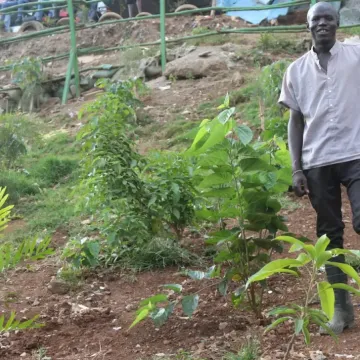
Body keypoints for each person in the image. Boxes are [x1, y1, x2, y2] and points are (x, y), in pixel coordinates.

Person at [279, 1, 360, 335]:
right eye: (316, 20)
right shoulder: (296, 71)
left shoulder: (356, 57)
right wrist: (296, 168)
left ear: (338, 23)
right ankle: (342, 308)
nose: (322, 24)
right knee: (330, 234)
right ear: (308, 26)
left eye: (328, 18)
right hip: (317, 161)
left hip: (356, 153)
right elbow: (295, 121)